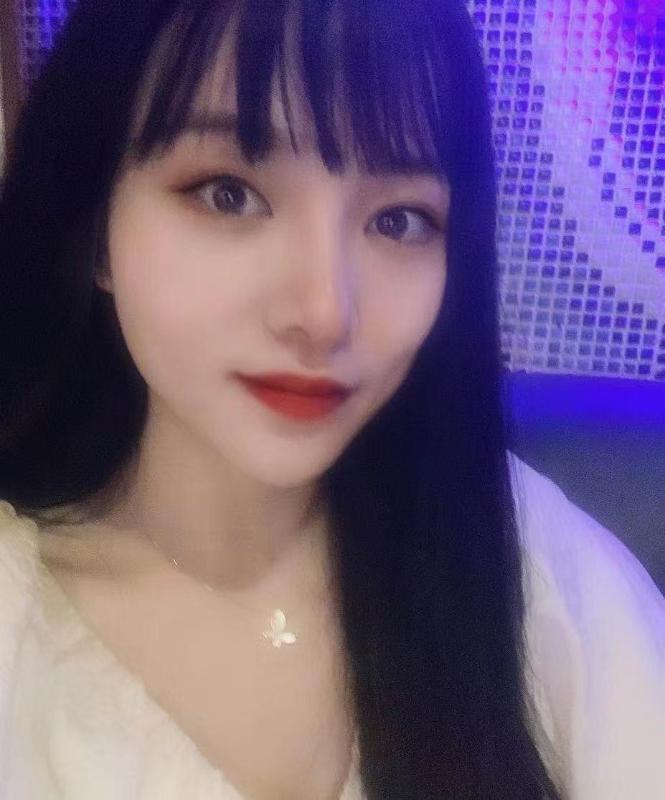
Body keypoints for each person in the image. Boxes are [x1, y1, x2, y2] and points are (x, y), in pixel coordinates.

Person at [0, 1, 663, 798]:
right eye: (228, 194)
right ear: (94, 227)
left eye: (398, 220)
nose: (324, 313)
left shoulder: (539, 572)